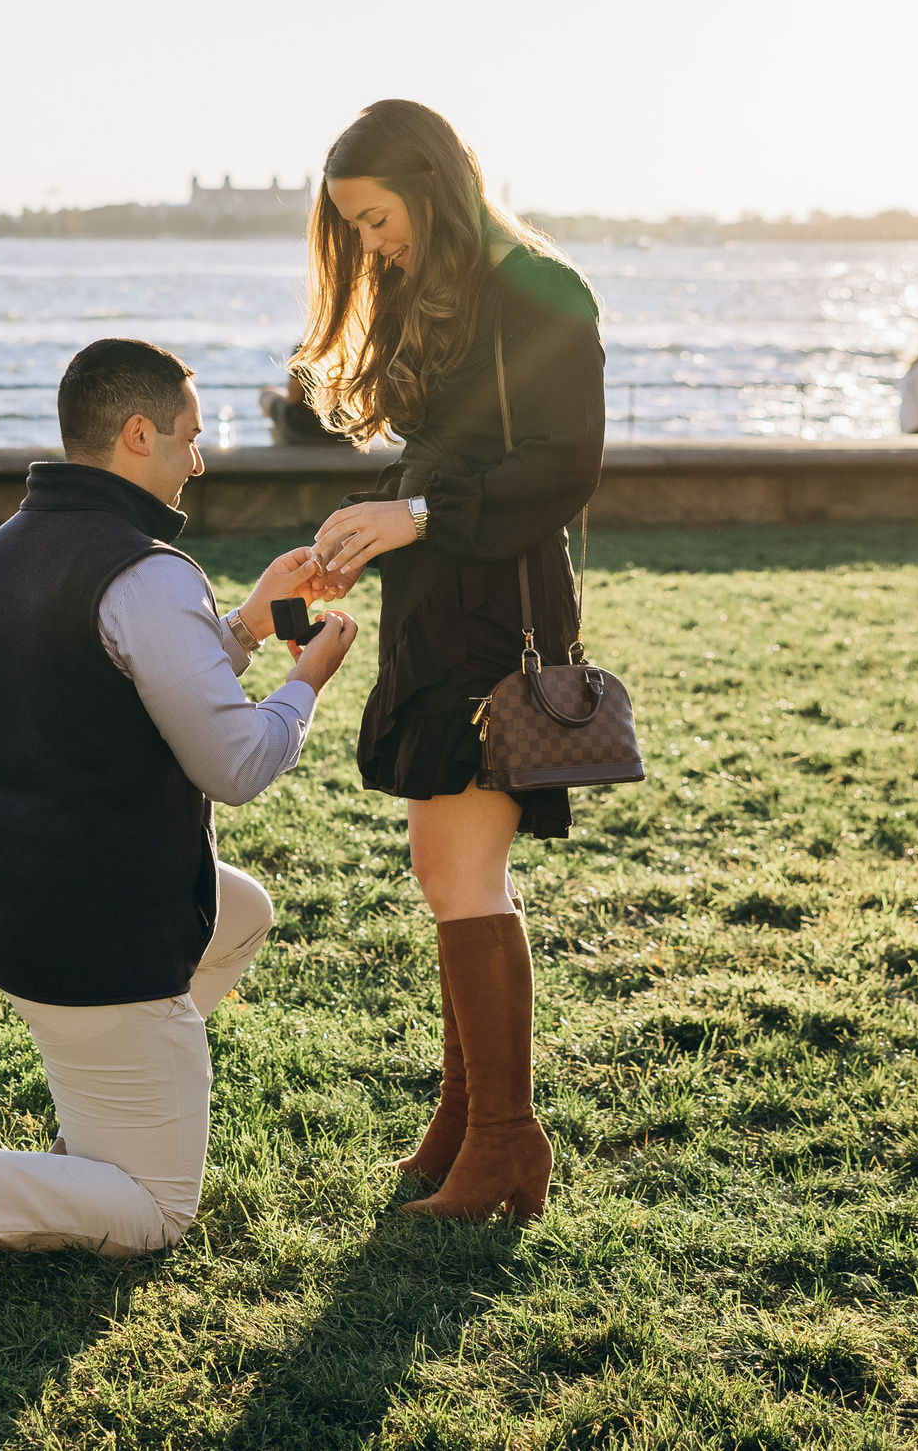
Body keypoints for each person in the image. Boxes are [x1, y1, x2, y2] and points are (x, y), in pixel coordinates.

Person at [0, 337, 358, 1288]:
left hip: (3, 891)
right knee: (157, 1211)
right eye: (188, 439)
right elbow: (236, 765)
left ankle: (119, 1090)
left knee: (241, 911)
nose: (199, 460)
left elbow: (119, 682)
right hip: (99, 922)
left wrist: (247, 625)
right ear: (137, 434)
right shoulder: (147, 572)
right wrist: (305, 683)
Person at [297, 100, 606, 1225]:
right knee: (450, 878)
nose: (370, 246)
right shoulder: (439, 295)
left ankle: (505, 1144)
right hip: (437, 610)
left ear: (432, 184)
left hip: (498, 618)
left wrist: (415, 517)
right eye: (355, 229)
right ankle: (466, 1118)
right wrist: (360, 534)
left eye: (378, 219)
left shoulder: (540, 289)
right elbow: (444, 468)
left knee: (459, 877)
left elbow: (563, 465)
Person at [257, 366, 350, 445]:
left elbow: (293, 398)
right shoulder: (359, 348)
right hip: (348, 434)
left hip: (303, 431)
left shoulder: (305, 348)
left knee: (266, 394)